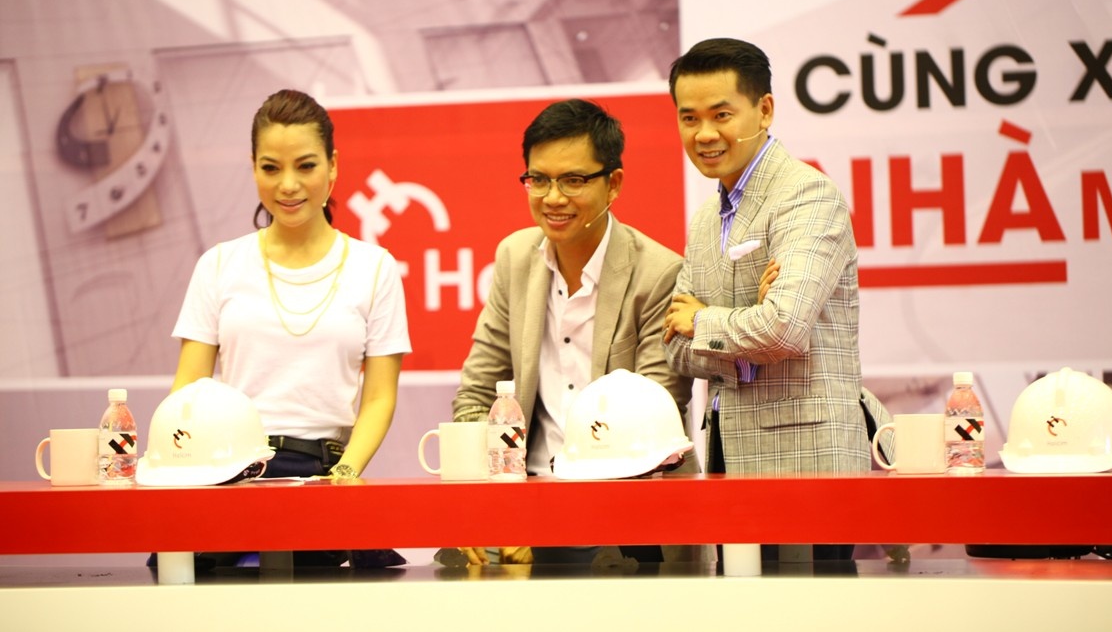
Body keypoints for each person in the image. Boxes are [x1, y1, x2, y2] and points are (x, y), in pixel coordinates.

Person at [168, 88, 411, 568]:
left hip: (324, 470)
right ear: (253, 168)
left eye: (305, 166)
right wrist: (182, 468)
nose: (288, 185)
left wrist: (345, 473)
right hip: (227, 468)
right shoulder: (219, 264)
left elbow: (379, 397)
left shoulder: (374, 267)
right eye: (271, 168)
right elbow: (188, 392)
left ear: (333, 166)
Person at [451, 98, 696, 566]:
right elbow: (476, 396)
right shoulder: (514, 258)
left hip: (632, 515)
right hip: (527, 507)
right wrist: (495, 501)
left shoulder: (658, 273)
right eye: (539, 179)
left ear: (613, 184)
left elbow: (655, 418)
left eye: (574, 180)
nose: (553, 197)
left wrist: (568, 514)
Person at [661, 38, 870, 563]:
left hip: (807, 465)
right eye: (689, 118)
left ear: (765, 109)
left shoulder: (807, 195)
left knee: (814, 607)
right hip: (729, 464)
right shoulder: (705, 220)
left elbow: (783, 329)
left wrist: (707, 320)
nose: (704, 134)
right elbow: (674, 347)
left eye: (721, 115)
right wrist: (743, 327)